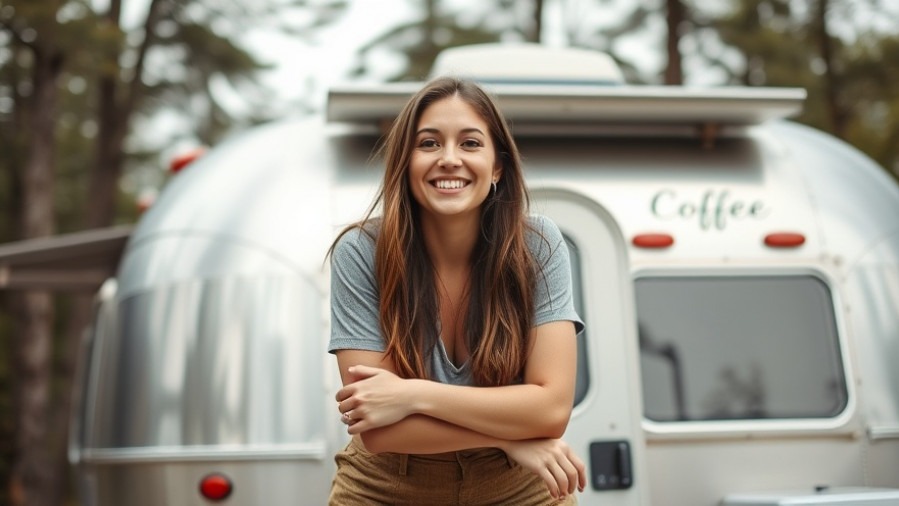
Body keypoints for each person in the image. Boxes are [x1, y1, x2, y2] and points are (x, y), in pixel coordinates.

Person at [327, 76, 586, 505]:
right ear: (404, 162)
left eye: (470, 143)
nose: (449, 159)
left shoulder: (537, 246)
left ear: (497, 165)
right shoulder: (361, 252)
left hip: (518, 486)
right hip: (386, 485)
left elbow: (552, 410)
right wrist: (512, 440)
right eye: (428, 144)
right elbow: (378, 428)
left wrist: (413, 394)